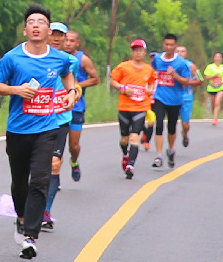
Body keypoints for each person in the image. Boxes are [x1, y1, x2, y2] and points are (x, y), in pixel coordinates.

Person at [0, 4, 77, 260]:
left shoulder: (60, 58)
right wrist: (17, 90)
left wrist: (71, 93)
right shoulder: (12, 57)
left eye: (41, 21)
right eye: (31, 21)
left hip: (47, 128)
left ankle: (30, 236)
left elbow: (67, 75)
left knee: (40, 180)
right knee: (20, 183)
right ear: (26, 29)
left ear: (48, 30)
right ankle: (20, 217)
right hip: (18, 130)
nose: (36, 25)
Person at [42, 22, 81, 230]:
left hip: (61, 118)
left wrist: (73, 93)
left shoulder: (71, 61)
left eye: (61, 36)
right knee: (37, 167)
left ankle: (46, 211)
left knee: (55, 163)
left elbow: (72, 84)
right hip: (37, 118)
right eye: (53, 35)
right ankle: (30, 207)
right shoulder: (35, 58)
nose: (57, 39)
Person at [109, 39, 156, 179]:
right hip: (124, 107)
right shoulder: (123, 67)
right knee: (125, 139)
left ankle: (130, 165)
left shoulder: (148, 69)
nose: (137, 52)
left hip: (140, 107)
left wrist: (150, 90)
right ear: (131, 52)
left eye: (140, 50)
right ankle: (125, 153)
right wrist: (122, 88)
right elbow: (112, 81)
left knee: (134, 137)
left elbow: (152, 82)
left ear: (144, 52)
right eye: (135, 50)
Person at [150, 34, 193, 168]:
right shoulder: (157, 59)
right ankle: (158, 156)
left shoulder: (180, 63)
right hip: (159, 97)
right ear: (163, 44)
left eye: (171, 45)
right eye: (166, 44)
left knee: (171, 127)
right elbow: (151, 72)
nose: (169, 47)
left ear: (175, 45)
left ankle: (170, 149)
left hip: (175, 100)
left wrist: (174, 75)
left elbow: (187, 81)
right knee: (158, 124)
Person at [62, 29, 99, 181]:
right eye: (66, 40)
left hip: (76, 107)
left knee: (73, 146)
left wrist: (78, 85)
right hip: (58, 107)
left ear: (77, 43)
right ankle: (54, 177)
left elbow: (95, 79)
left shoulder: (82, 59)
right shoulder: (57, 57)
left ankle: (74, 161)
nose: (68, 43)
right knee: (54, 149)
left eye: (72, 41)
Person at [175, 45, 202, 147]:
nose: (180, 53)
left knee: (185, 124)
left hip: (186, 97)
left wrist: (187, 83)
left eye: (182, 51)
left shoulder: (191, 66)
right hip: (172, 97)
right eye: (177, 51)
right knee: (172, 122)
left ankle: (185, 133)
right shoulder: (170, 65)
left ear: (186, 54)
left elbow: (200, 81)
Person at [202, 52, 223, 126]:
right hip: (212, 87)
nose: (217, 58)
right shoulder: (210, 67)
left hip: (221, 87)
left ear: (221, 59)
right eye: (216, 57)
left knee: (217, 102)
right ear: (214, 58)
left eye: (219, 57)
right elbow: (206, 77)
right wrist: (213, 76)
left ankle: (215, 118)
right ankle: (214, 113)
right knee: (213, 103)